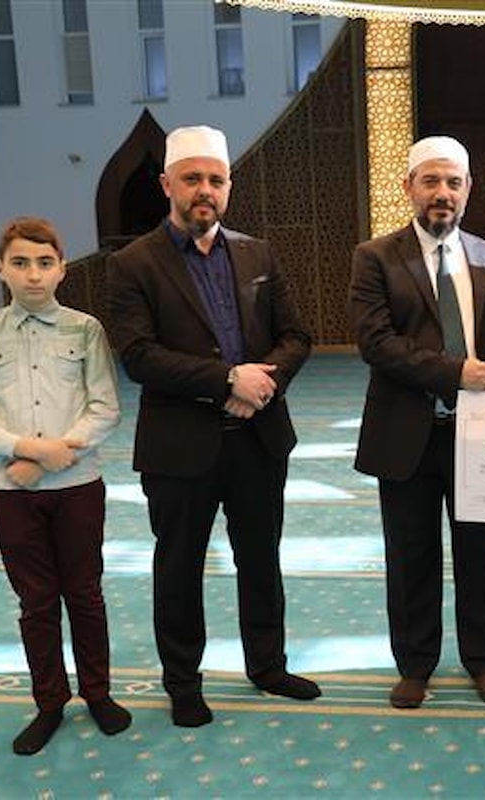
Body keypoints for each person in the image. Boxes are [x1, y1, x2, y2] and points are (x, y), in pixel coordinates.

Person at [107, 125, 318, 728]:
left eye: (216, 180)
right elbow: (139, 356)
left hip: (258, 439)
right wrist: (227, 380)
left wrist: (262, 384)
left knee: (261, 559)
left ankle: (268, 666)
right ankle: (183, 683)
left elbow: (296, 336)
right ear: (166, 184)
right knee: (179, 568)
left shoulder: (257, 254)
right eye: (192, 178)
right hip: (180, 448)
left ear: (229, 187)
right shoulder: (132, 264)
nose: (205, 190)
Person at [349, 135, 485, 709]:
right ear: (409, 188)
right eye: (430, 181)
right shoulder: (376, 257)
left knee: (482, 555)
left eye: (453, 182)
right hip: (406, 433)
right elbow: (376, 343)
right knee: (410, 555)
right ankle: (415, 663)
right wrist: (455, 373)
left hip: (482, 436)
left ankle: (484, 659)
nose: (442, 193)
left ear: (468, 189)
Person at [0, 217, 130, 755]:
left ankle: (98, 693)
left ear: (62, 269)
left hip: (78, 487)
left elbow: (105, 408)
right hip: (13, 491)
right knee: (36, 602)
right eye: (21, 263)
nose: (33, 274)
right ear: (1, 269)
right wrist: (29, 452)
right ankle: (49, 702)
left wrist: (53, 458)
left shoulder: (85, 330)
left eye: (44, 263)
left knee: (85, 595)